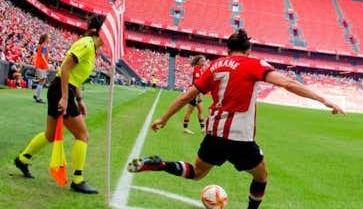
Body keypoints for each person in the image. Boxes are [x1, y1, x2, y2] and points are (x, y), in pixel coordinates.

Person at [128, 29, 343, 209]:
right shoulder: (255, 64)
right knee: (261, 177)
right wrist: (324, 100)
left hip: (214, 134)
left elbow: (186, 96)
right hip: (240, 138)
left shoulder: (214, 65)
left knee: (196, 173)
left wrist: (163, 118)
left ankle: (161, 164)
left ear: (227, 49)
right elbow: (288, 83)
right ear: (249, 49)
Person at [13, 15, 106, 194]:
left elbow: (74, 77)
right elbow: (65, 69)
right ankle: (78, 179)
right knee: (83, 136)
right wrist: (65, 98)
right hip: (61, 90)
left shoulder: (91, 48)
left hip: (61, 89)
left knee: (49, 135)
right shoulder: (86, 44)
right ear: (98, 32)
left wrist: (80, 100)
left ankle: (22, 159)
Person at [182, 55, 208, 134]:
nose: (204, 63)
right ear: (198, 62)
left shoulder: (198, 70)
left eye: (204, 61)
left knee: (200, 110)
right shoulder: (196, 70)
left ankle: (203, 128)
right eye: (202, 61)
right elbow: (196, 83)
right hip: (194, 93)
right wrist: (197, 93)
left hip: (196, 93)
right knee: (190, 111)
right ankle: (185, 128)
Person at [31, 34, 50, 104]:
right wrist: (47, 64)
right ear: (45, 39)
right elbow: (42, 56)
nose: (49, 39)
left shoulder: (40, 45)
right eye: (48, 38)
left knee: (42, 81)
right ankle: (38, 97)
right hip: (41, 66)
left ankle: (36, 95)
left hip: (39, 65)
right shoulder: (44, 46)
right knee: (42, 80)